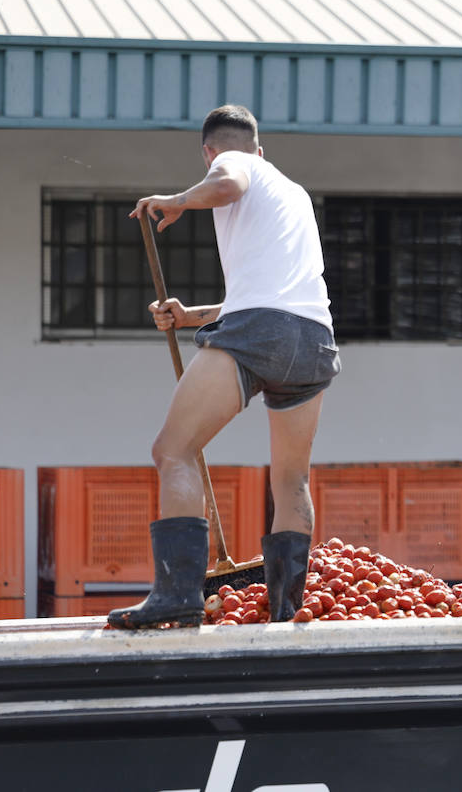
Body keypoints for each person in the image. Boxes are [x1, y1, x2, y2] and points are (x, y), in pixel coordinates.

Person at [109, 104, 340, 629]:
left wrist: (178, 200)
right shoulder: (294, 192)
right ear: (263, 148)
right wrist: (193, 317)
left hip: (260, 332)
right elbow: (271, 294)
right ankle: (286, 610)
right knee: (290, 479)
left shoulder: (235, 166)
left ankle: (178, 595)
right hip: (313, 339)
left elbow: (230, 183)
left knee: (173, 450)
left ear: (210, 151)